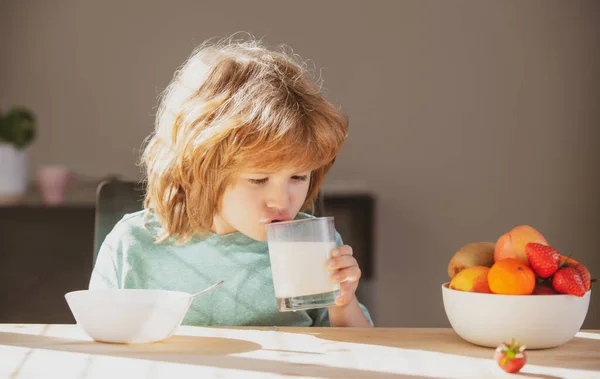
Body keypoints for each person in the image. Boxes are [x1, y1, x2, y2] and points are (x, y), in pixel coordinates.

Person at [90, 35, 373, 327]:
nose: (282, 200)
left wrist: (344, 301)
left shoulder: (312, 251)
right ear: (200, 170)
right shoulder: (132, 246)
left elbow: (362, 354)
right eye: (259, 179)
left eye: (298, 176)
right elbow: (97, 348)